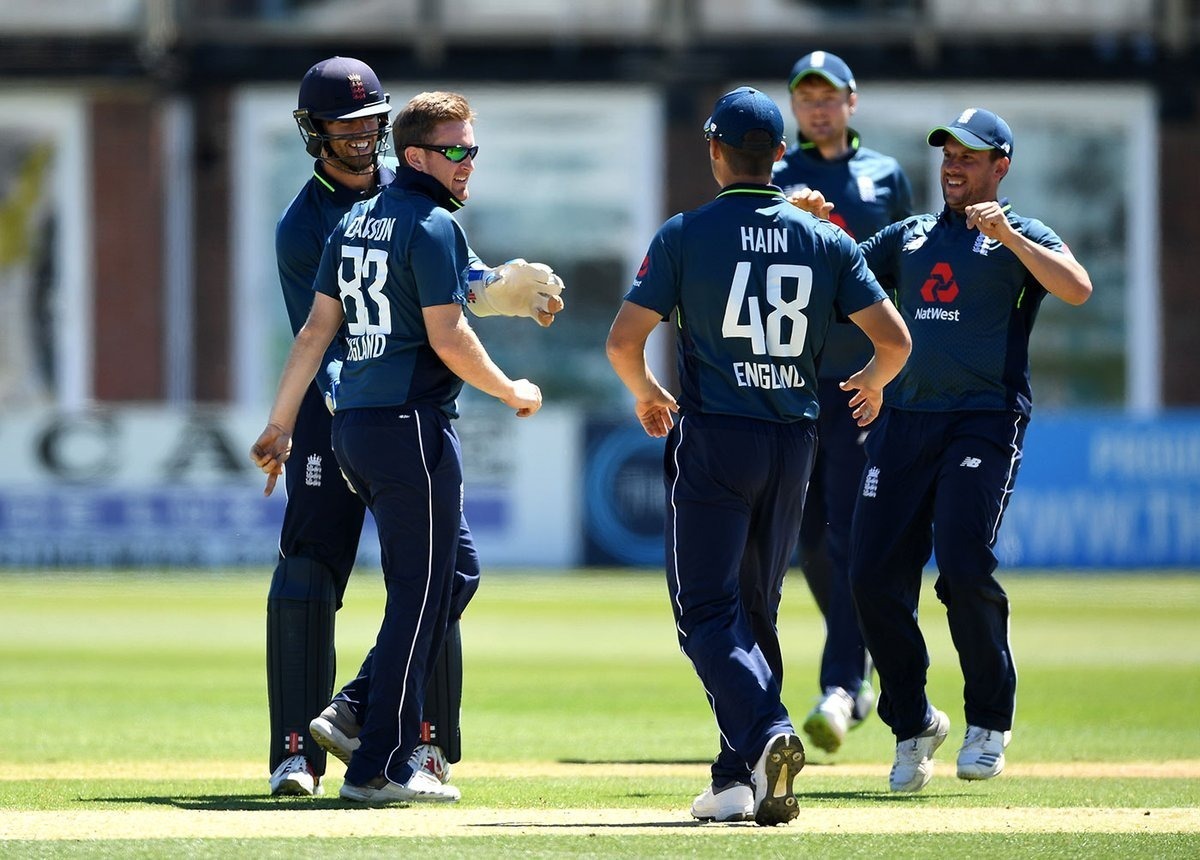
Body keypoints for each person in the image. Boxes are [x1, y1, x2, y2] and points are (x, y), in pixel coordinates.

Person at [605, 87, 910, 826]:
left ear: (715, 153)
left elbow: (622, 340)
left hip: (716, 436)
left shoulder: (686, 233)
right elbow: (896, 341)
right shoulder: (826, 239)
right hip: (794, 440)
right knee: (754, 611)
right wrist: (869, 383)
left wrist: (646, 393)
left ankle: (767, 731)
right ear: (779, 155)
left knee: (705, 612)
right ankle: (736, 779)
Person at [264, 63, 562, 800]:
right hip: (383, 415)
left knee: (442, 577)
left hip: (365, 418)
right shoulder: (322, 222)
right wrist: (511, 389)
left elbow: (338, 321)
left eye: (373, 123)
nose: (364, 138)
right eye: (347, 125)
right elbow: (433, 331)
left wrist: (500, 288)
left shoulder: (381, 213)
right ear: (314, 132)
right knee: (352, 579)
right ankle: (317, 753)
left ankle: (399, 734)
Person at [845, 108, 1092, 792]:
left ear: (1000, 165)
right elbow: (843, 279)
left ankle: (988, 719)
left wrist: (1009, 235)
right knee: (868, 576)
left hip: (984, 419)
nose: (954, 166)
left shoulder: (1021, 233)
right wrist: (814, 224)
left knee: (961, 563)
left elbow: (1077, 288)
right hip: (907, 421)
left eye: (970, 156)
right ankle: (913, 720)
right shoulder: (913, 235)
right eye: (947, 154)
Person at [772, 50, 915, 756]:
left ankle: (839, 683)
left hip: (862, 380)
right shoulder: (777, 179)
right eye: (807, 97)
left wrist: (898, 373)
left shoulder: (885, 175)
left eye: (830, 96)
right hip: (795, 381)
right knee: (809, 541)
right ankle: (864, 668)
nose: (818, 107)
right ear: (795, 106)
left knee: (851, 537)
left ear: (851, 102)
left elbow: (908, 270)